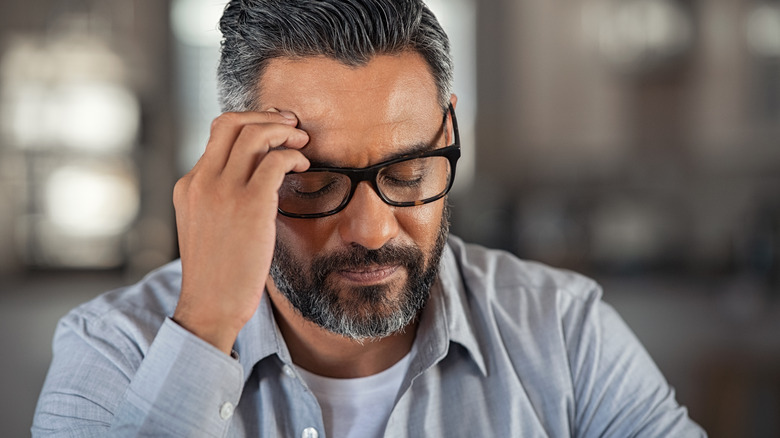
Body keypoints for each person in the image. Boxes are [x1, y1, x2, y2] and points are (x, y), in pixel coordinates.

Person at [32, 0, 706, 436]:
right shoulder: (111, 351)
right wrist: (205, 324)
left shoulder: (565, 334)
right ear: (233, 167)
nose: (373, 230)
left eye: (408, 173)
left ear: (449, 131)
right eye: (317, 183)